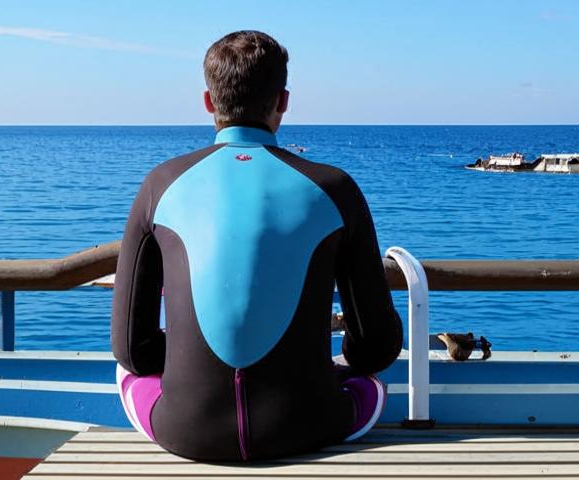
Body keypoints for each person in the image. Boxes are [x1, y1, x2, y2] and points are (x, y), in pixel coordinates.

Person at [110, 30, 403, 461]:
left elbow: (133, 351)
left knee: (125, 375)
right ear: (283, 101)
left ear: (209, 102)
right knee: (371, 385)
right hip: (310, 426)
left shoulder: (161, 184)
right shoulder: (335, 188)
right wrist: (336, 363)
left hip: (187, 431)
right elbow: (376, 348)